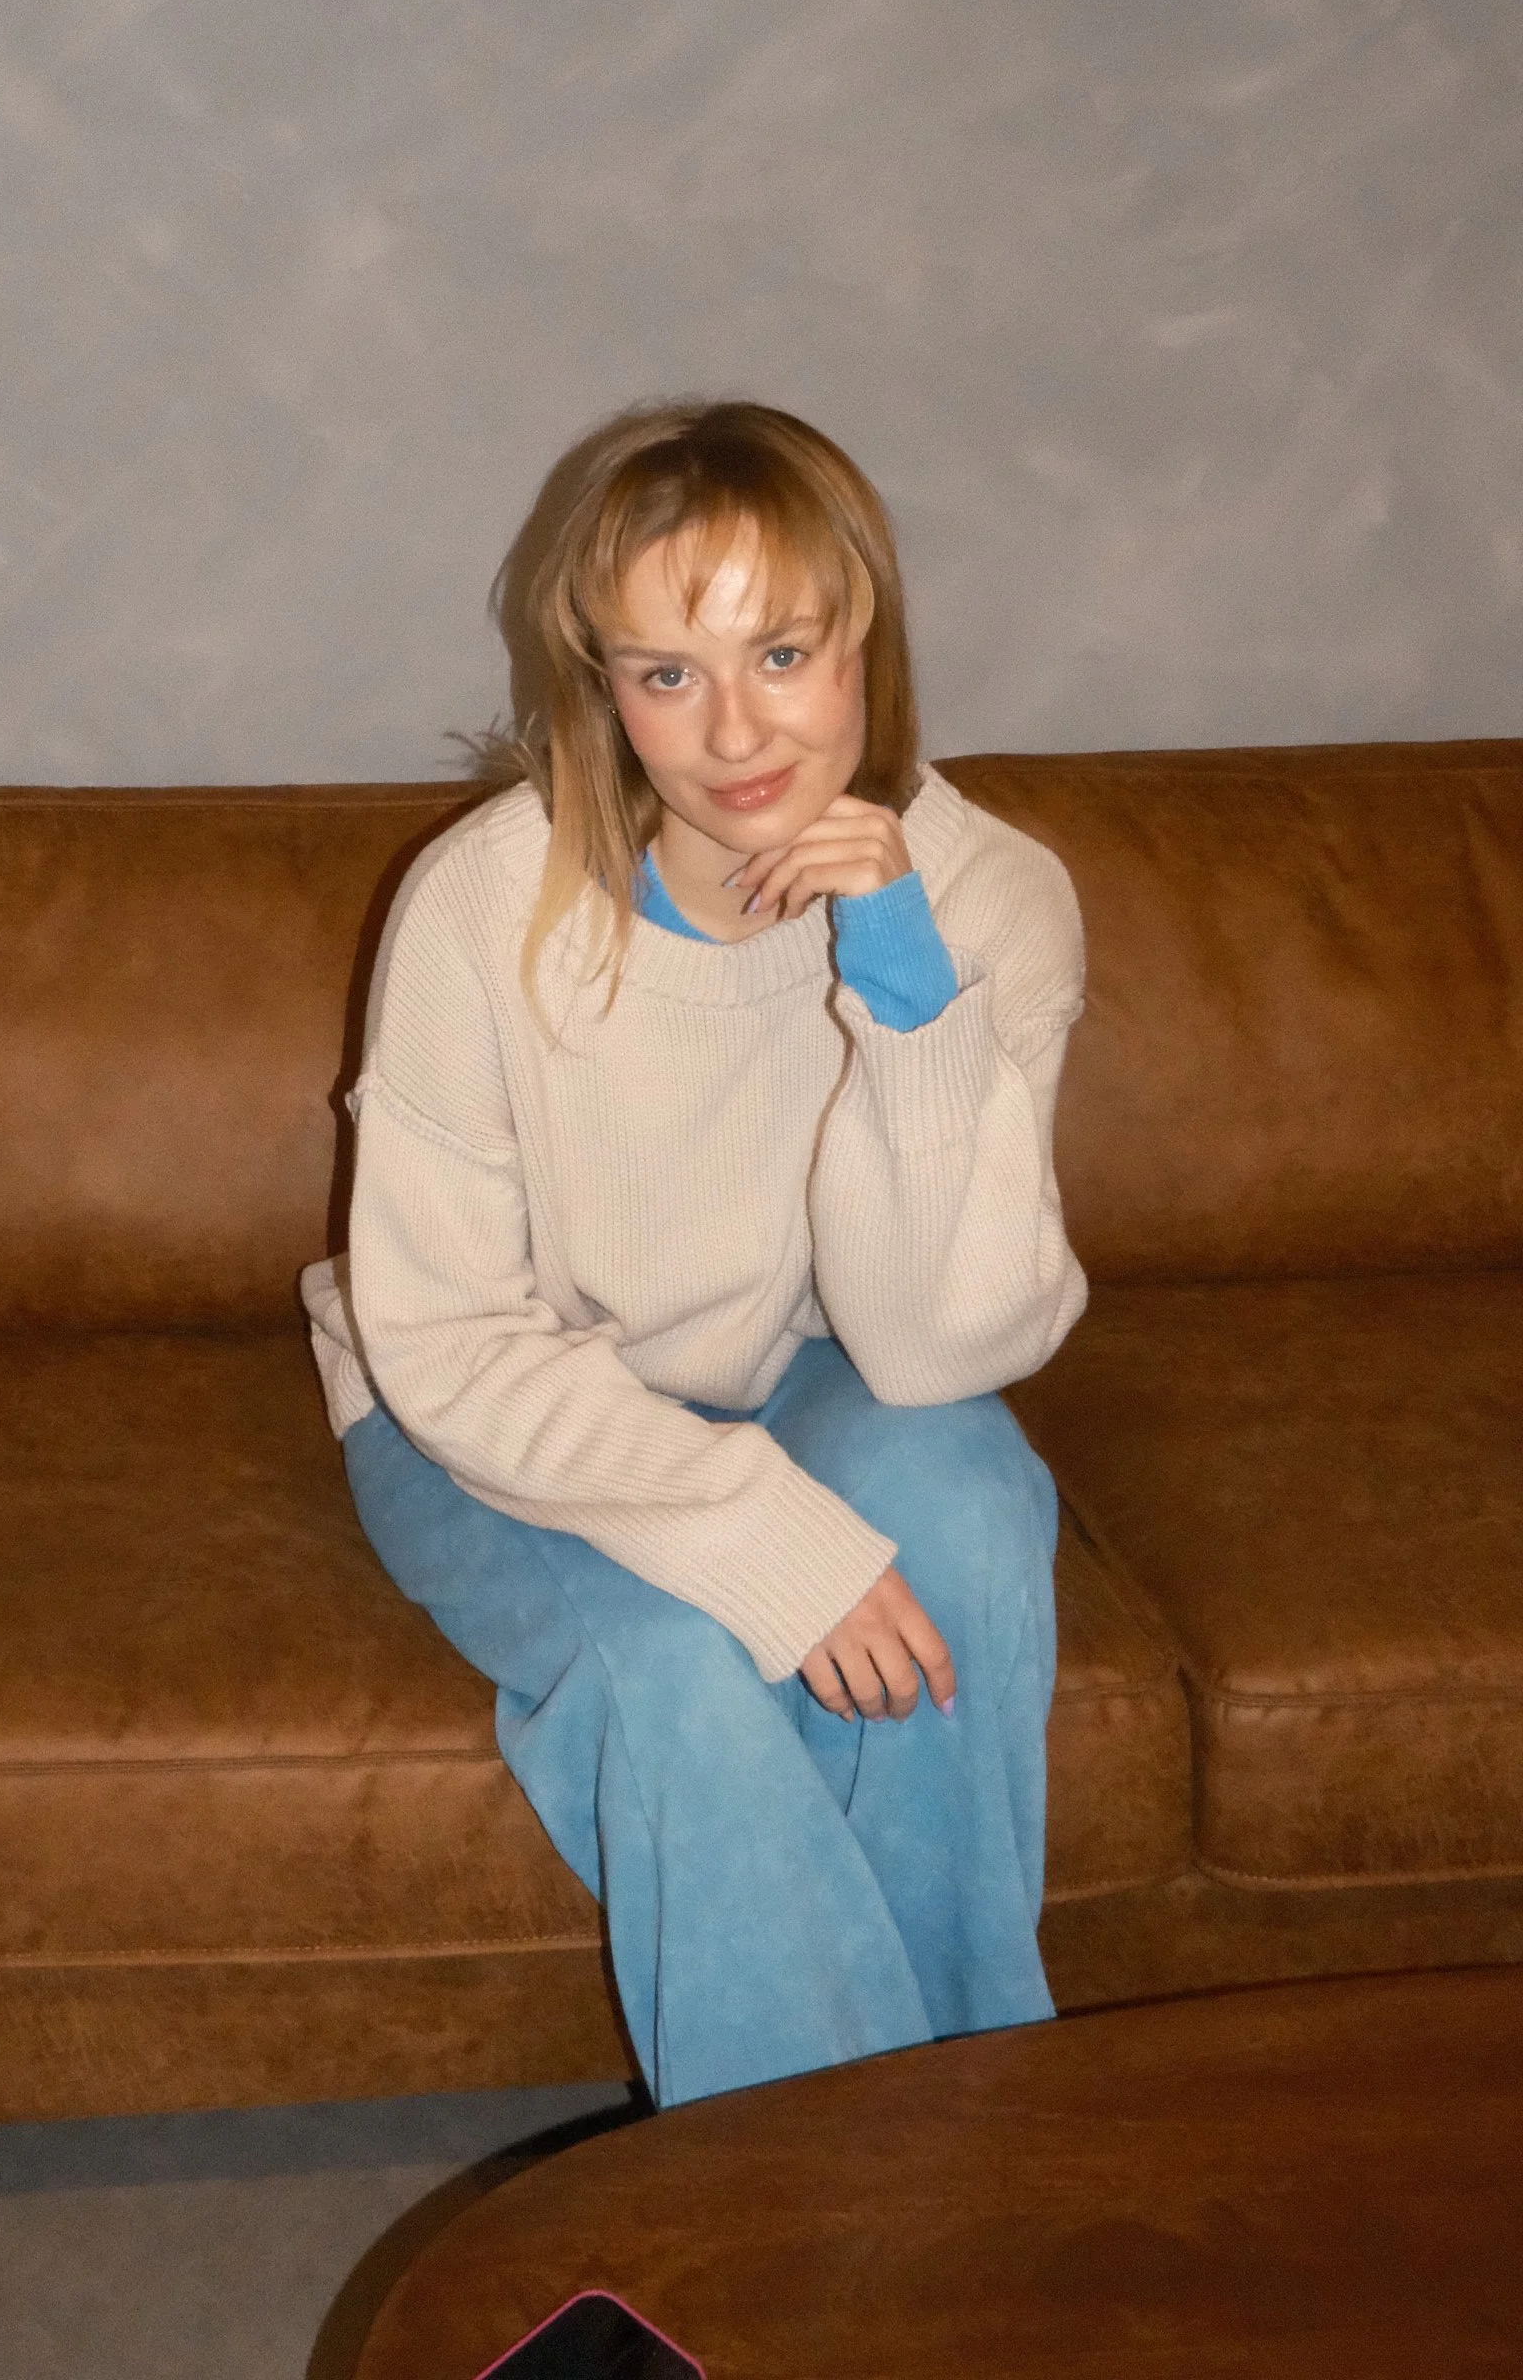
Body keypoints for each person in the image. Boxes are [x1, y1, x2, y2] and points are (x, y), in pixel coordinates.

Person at [301, 400, 1087, 2110]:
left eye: (783, 651)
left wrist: (902, 992)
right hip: (475, 1407)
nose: (734, 730)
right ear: (604, 687)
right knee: (673, 1669)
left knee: (961, 1505)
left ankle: (977, 2142)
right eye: (667, 673)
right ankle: (814, 2231)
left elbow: (938, 1350)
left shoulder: (991, 899)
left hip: (806, 1362)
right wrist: (752, 1535)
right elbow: (446, 1342)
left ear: (867, 636)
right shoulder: (483, 907)